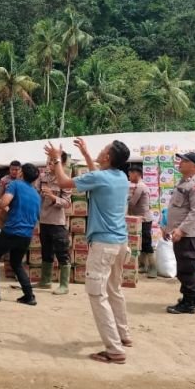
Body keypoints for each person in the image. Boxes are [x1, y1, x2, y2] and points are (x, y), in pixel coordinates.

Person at [45, 137, 132, 365]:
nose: (99, 152)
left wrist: (56, 158)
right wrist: (85, 155)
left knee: (97, 294)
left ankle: (114, 350)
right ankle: (123, 335)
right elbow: (97, 179)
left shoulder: (101, 177)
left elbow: (63, 181)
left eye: (102, 150)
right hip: (120, 243)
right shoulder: (120, 177)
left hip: (103, 245)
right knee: (114, 289)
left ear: (107, 157)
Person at [0, 163, 41, 306]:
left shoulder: (15, 184)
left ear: (22, 173)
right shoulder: (36, 194)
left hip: (12, 230)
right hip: (26, 234)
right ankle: (29, 296)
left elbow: (5, 201)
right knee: (16, 263)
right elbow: (37, 217)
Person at [165, 153, 195, 315]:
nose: (180, 163)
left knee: (186, 268)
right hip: (179, 231)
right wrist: (167, 227)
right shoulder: (182, 183)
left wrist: (181, 229)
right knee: (189, 266)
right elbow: (175, 209)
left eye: (185, 161)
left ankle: (188, 303)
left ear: (194, 167)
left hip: (186, 233)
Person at [37, 151, 73, 293]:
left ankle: (64, 285)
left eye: (53, 160)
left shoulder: (65, 180)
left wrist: (53, 197)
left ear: (62, 163)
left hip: (57, 222)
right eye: (48, 160)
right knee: (46, 251)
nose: (50, 163)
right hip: (44, 220)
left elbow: (67, 203)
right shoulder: (42, 178)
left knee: (62, 252)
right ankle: (46, 280)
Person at [127, 164, 156, 278]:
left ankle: (153, 268)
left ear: (136, 174)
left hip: (144, 219)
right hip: (140, 219)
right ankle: (143, 266)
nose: (129, 176)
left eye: (130, 174)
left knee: (147, 243)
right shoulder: (138, 186)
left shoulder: (140, 187)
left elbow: (132, 203)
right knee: (142, 243)